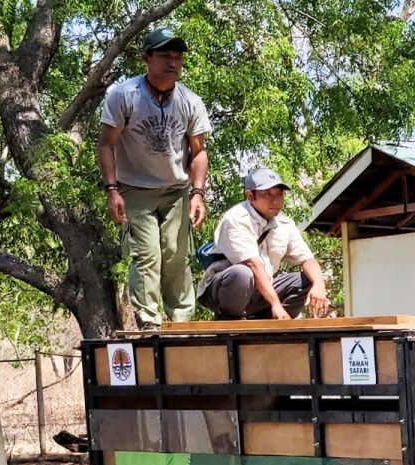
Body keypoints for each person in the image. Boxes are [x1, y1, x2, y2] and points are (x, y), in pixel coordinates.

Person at [97, 27, 211, 330]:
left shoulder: (190, 101)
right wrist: (112, 189)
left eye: (177, 57)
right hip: (135, 189)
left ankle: (182, 323)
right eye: (165, 55)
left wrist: (197, 194)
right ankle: (149, 321)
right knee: (146, 256)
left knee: (176, 256)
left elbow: (199, 152)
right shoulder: (124, 95)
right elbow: (106, 144)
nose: (172, 62)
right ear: (146, 58)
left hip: (176, 191)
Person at [197, 169, 329, 320]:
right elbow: (252, 265)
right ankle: (229, 320)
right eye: (267, 194)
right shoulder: (236, 219)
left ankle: (269, 322)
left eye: (279, 194)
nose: (275, 200)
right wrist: (276, 304)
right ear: (250, 196)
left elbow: (308, 259)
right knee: (242, 273)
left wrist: (319, 285)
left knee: (306, 280)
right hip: (224, 289)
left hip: (262, 291)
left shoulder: (285, 224)